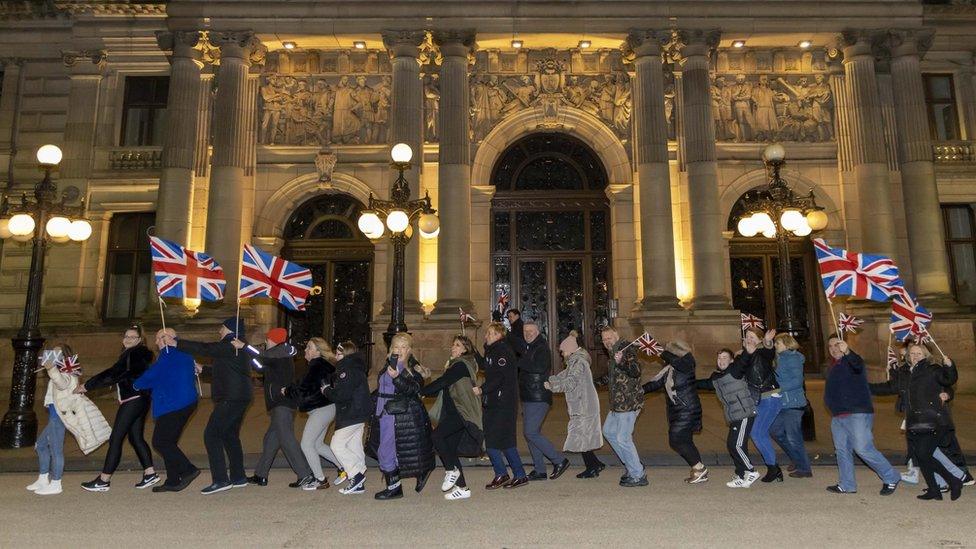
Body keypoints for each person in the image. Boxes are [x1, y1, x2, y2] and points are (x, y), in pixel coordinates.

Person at [76, 325, 158, 492]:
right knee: (135, 438)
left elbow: (114, 374)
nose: (128, 339)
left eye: (132, 337)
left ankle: (104, 480)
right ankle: (150, 473)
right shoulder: (135, 354)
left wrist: (88, 385)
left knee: (116, 438)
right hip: (140, 399)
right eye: (126, 336)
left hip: (133, 400)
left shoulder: (135, 354)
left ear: (139, 340)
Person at [176, 317, 253, 495]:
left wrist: (177, 342)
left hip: (230, 397)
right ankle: (238, 476)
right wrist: (204, 369)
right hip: (240, 396)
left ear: (229, 330)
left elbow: (205, 348)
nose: (219, 331)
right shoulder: (234, 347)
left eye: (222, 327)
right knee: (229, 435)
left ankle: (220, 479)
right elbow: (228, 371)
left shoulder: (231, 344)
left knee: (211, 435)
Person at [235, 328, 316, 490]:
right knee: (271, 440)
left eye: (267, 339)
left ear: (273, 340)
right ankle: (261, 475)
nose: (265, 342)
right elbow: (261, 367)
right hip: (278, 404)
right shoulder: (276, 356)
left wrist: (244, 346)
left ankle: (306, 474)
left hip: (282, 404)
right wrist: (248, 356)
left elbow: (262, 356)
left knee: (287, 439)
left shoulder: (280, 351)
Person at [29, 344, 111, 495]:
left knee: (55, 449)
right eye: (52, 352)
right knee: (41, 445)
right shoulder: (61, 371)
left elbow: (61, 383)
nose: (53, 354)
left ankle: (56, 483)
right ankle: (42, 478)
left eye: (57, 352)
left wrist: (51, 368)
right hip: (55, 415)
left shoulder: (69, 372)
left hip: (59, 417)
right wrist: (51, 368)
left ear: (65, 356)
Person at [823, 335, 900, 496]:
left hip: (857, 412)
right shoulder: (832, 366)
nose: (834, 348)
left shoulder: (852, 361)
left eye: (837, 344)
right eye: (830, 346)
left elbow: (857, 364)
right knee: (842, 450)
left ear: (844, 345)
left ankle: (891, 476)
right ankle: (847, 484)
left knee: (863, 449)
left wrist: (849, 352)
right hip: (838, 415)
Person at [368, 333, 436, 500]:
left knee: (387, 451)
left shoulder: (411, 369)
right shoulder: (389, 364)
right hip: (383, 413)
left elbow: (413, 389)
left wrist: (397, 377)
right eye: (396, 347)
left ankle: (395, 488)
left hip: (396, 415)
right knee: (385, 450)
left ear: (409, 350)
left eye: (403, 347)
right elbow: (382, 389)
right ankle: (397, 485)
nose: (399, 350)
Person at [133, 329, 201, 492]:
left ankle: (189, 470)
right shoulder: (184, 353)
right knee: (169, 442)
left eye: (158, 339)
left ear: (166, 339)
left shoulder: (168, 355)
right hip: (185, 403)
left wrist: (135, 384)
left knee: (160, 442)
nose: (156, 342)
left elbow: (152, 375)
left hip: (174, 404)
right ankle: (172, 480)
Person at [420, 335, 484, 500]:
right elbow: (444, 387)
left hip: (460, 413)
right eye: (453, 345)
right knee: (449, 447)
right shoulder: (457, 365)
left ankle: (451, 470)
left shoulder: (461, 365)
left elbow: (443, 381)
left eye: (457, 345)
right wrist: (424, 393)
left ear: (465, 349)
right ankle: (463, 488)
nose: (453, 348)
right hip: (454, 411)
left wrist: (421, 392)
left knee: (436, 436)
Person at [902, 344, 963, 501]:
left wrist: (949, 366)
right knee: (923, 456)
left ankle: (954, 481)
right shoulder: (908, 372)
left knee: (923, 454)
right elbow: (891, 387)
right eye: (912, 353)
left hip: (934, 420)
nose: (915, 356)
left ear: (925, 355)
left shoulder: (932, 369)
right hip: (915, 421)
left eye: (919, 353)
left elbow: (948, 379)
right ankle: (935, 490)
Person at [643, 340, 706, 484]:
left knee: (676, 438)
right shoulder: (669, 369)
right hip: (677, 411)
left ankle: (700, 468)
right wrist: (639, 391)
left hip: (687, 409)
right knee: (684, 440)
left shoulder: (687, 362)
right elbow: (655, 383)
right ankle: (699, 471)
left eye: (669, 352)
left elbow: (679, 363)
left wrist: (661, 352)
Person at [697, 349, 761, 488]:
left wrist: (747, 352)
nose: (721, 360)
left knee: (735, 445)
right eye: (719, 358)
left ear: (732, 360)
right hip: (733, 415)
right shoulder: (716, 376)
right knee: (735, 445)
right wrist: (687, 382)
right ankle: (740, 474)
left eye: (725, 357)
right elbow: (706, 384)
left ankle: (751, 471)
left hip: (744, 413)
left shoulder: (735, 370)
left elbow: (743, 362)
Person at [477, 322, 529, 490]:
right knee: (492, 439)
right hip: (493, 402)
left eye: (490, 333)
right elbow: (485, 366)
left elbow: (499, 377)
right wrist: (472, 350)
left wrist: (481, 389)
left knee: (504, 439)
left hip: (503, 402)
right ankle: (501, 473)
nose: (486, 336)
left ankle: (519, 474)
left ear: (499, 335)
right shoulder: (492, 351)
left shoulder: (503, 352)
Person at [545, 331, 604, 479]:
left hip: (583, 404)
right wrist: (551, 380)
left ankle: (592, 467)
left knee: (582, 437)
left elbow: (570, 383)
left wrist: (551, 387)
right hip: (582, 403)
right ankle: (596, 463)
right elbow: (565, 375)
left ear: (570, 350)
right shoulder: (575, 361)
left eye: (563, 351)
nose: (562, 354)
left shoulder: (579, 363)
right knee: (584, 436)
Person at [517, 322, 569, 481]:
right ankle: (540, 469)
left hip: (538, 397)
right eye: (525, 331)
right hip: (529, 395)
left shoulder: (541, 348)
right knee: (531, 434)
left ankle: (559, 460)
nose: (528, 334)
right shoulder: (530, 347)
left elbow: (539, 367)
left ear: (538, 332)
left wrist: (519, 360)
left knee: (530, 432)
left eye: (531, 331)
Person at [283, 337, 338, 489]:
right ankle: (345, 468)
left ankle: (320, 480)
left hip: (321, 409)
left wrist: (287, 391)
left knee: (306, 444)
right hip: (326, 408)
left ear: (317, 352)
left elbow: (303, 389)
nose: (305, 350)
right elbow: (308, 386)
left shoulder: (317, 366)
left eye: (309, 347)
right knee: (318, 445)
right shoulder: (322, 365)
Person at [731, 327, 783, 483]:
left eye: (753, 337)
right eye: (747, 337)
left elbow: (769, 352)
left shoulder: (761, 353)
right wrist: (744, 354)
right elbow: (737, 373)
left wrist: (767, 341)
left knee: (757, 433)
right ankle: (774, 468)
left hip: (769, 396)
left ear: (759, 340)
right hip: (756, 399)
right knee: (758, 433)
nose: (749, 339)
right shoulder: (744, 355)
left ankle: (774, 469)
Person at [598, 326, 647, 487]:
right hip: (617, 404)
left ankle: (638, 475)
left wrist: (622, 361)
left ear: (616, 335)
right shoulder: (613, 353)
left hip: (629, 403)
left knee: (623, 438)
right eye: (604, 339)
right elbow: (612, 377)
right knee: (609, 432)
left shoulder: (627, 349)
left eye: (609, 338)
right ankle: (633, 465)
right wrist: (595, 382)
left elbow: (635, 371)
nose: (607, 342)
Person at [322, 342, 372, 495]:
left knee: (337, 445)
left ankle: (356, 475)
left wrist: (327, 390)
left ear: (346, 355)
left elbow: (342, 395)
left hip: (350, 413)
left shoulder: (346, 370)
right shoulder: (355, 368)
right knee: (353, 445)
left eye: (338, 354)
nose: (336, 356)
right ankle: (359, 479)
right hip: (359, 413)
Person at [768, 333, 813, 478]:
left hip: (793, 403)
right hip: (782, 403)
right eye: (775, 343)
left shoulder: (793, 358)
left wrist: (777, 387)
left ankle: (805, 468)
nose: (775, 345)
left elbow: (797, 381)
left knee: (794, 437)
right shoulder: (779, 358)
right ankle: (796, 458)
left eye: (778, 343)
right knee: (775, 430)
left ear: (787, 344)